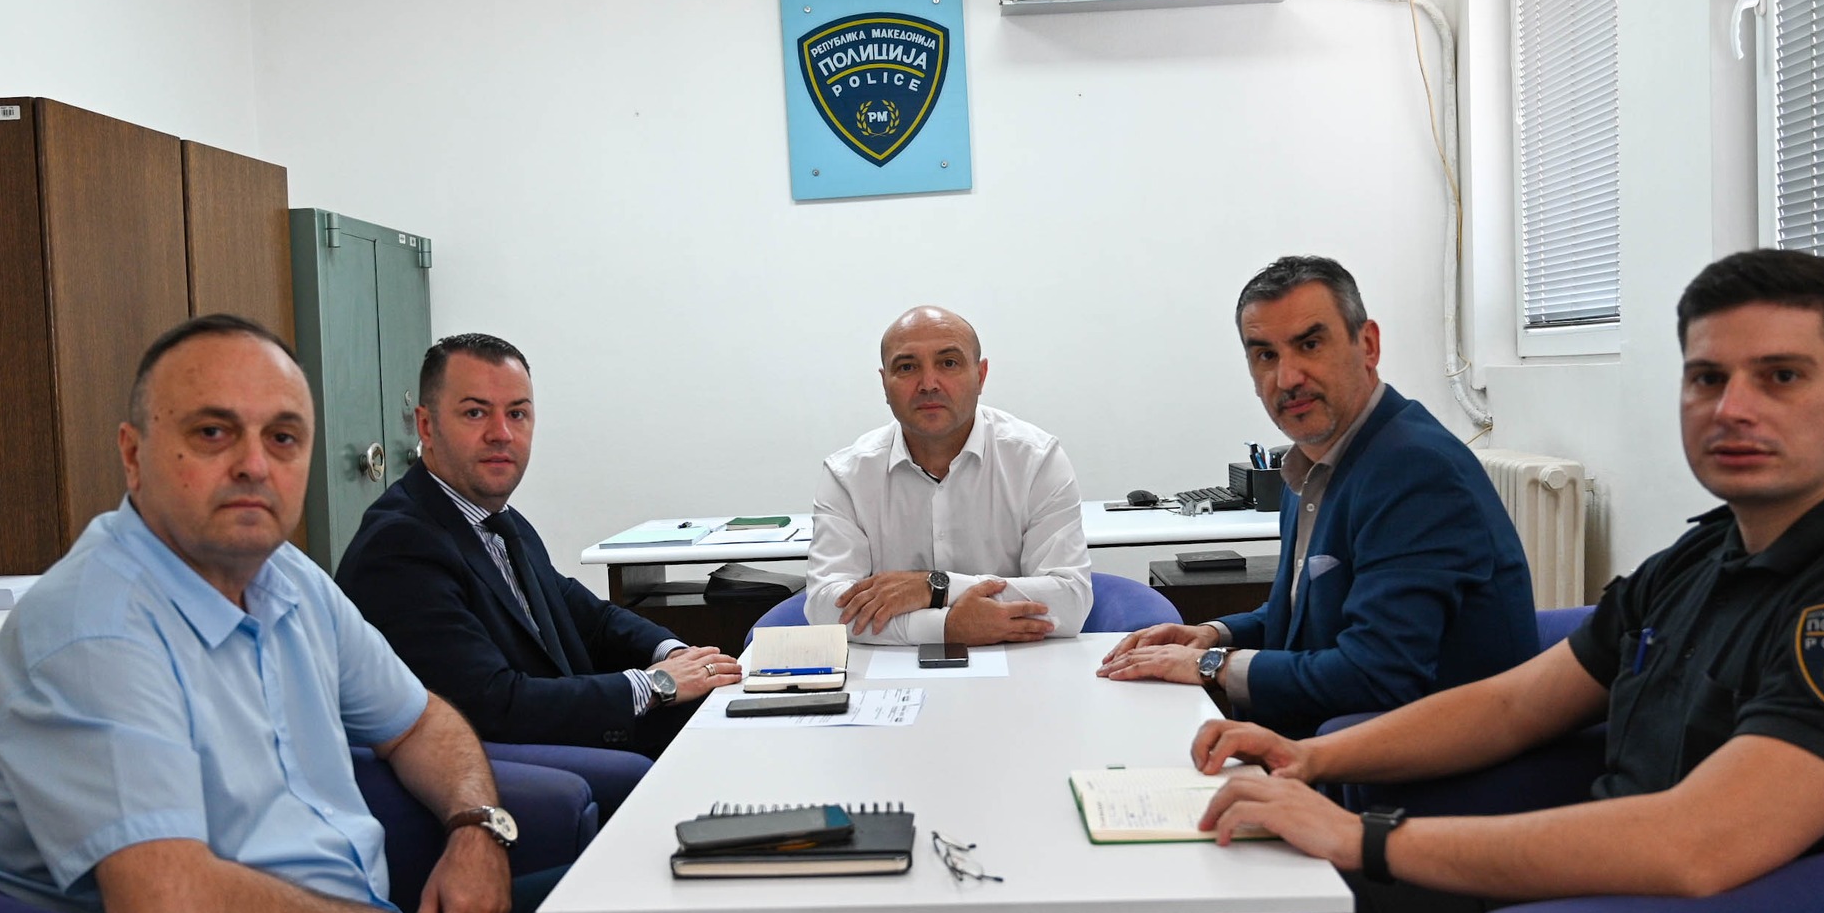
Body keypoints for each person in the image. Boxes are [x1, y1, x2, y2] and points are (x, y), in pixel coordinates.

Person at [1193, 251, 1824, 913]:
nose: (1733, 409)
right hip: (1590, 880)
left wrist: (1364, 838)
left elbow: (1695, 843)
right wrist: (1310, 756)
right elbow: (1514, 705)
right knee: (1248, 897)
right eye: (1707, 378)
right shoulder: (1702, 557)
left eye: (1781, 376)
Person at [0, 314, 538, 913]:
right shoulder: (95, 630)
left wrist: (476, 829)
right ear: (132, 454)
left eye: (283, 438)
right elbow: (166, 909)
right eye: (212, 432)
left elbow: (419, 722)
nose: (254, 465)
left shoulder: (286, 577)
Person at [1098, 256, 1537, 738]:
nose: (1287, 377)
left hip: (1424, 765)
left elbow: (1378, 673)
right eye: (1266, 355)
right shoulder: (1312, 463)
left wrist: (1212, 665)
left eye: (1310, 344)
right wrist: (1213, 634)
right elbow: (1304, 613)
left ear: (1368, 345)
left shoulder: (1416, 471)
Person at [337, 333, 741, 766]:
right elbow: (493, 703)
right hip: (510, 763)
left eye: (517, 414)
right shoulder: (399, 546)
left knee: (735, 716)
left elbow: (591, 619)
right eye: (475, 413)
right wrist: (657, 684)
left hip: (557, 733)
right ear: (426, 426)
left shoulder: (498, 521)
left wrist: (673, 653)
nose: (501, 434)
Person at [805, 305, 1093, 645]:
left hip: (1019, 659)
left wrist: (934, 587)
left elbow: (1070, 600)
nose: (928, 384)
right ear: (884, 384)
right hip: (890, 668)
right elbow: (825, 607)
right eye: (907, 367)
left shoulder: (1035, 459)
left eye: (949, 363)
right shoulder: (848, 475)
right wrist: (946, 627)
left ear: (981, 376)